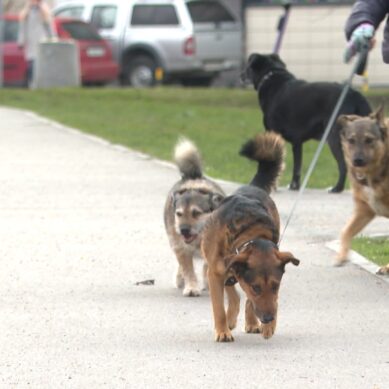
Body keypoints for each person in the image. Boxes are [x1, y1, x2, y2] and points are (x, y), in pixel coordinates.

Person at [18, 0, 55, 87]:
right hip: (31, 43)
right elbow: (22, 29)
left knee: (41, 66)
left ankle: (41, 85)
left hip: (43, 43)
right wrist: (21, 41)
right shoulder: (26, 13)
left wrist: (53, 39)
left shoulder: (44, 12)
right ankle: (32, 85)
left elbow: (50, 28)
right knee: (32, 65)